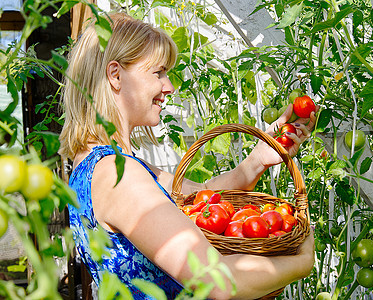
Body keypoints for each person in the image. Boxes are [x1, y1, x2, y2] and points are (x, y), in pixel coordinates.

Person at [59, 12, 317, 300]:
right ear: (115, 75)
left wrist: (257, 160)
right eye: (158, 73)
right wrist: (302, 263)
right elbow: (217, 283)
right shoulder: (119, 176)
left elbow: (202, 196)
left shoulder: (104, 166)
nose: (168, 87)